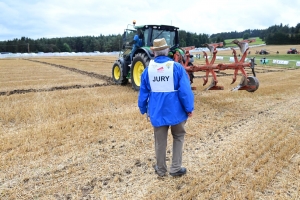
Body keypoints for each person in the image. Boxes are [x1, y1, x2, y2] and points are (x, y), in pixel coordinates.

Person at [138, 38, 194, 177]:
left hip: (157, 112)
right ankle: (175, 168)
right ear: (167, 51)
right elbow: (185, 91)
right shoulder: (177, 68)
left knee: (160, 141)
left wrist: (143, 108)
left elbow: (143, 93)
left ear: (154, 53)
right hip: (177, 112)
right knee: (179, 136)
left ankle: (161, 169)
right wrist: (189, 108)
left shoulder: (147, 71)